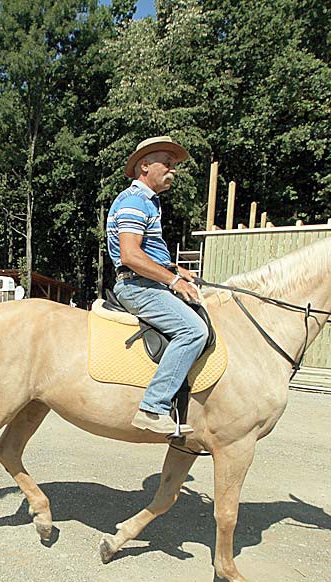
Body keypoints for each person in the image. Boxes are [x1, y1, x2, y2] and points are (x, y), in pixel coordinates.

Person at [107, 136, 207, 436]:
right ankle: (153, 407)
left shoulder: (150, 202)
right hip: (138, 286)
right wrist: (173, 281)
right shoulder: (135, 202)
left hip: (147, 281)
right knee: (193, 331)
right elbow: (130, 255)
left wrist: (176, 269)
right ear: (145, 166)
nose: (172, 170)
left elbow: (147, 252)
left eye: (174, 165)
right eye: (167, 163)